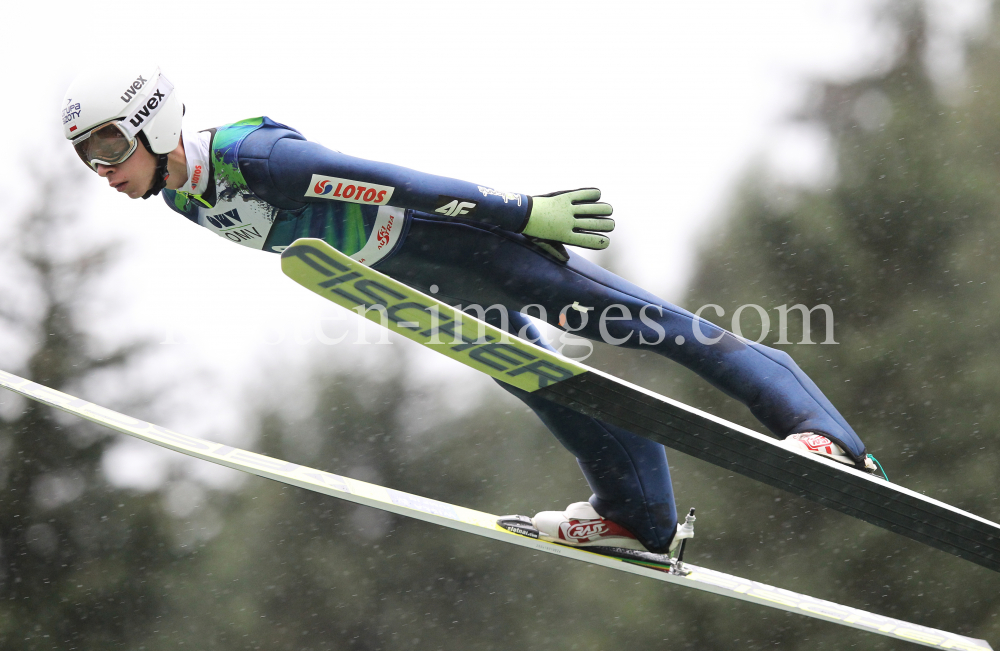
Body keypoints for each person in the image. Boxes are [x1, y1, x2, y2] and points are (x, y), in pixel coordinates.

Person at [62, 64, 878, 557]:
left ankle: (828, 436)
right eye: (84, 155)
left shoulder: (252, 156)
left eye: (106, 146)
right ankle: (640, 517)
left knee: (644, 322)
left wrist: (522, 211)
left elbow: (395, 182)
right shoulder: (179, 200)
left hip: (468, 247)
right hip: (421, 280)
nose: (100, 169)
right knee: (548, 380)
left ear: (152, 120)